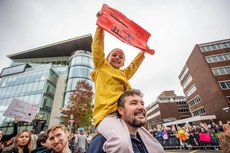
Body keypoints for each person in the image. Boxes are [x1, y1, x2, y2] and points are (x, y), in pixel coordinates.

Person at [91, 11, 149, 153]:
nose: (117, 57)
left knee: (154, 146)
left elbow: (133, 66)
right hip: (107, 115)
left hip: (124, 114)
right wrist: (101, 27)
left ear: (123, 63)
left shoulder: (123, 74)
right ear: (107, 58)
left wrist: (142, 52)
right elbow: (97, 48)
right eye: (114, 55)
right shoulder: (101, 67)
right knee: (122, 144)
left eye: (121, 57)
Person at [86, 89, 164, 153]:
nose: (141, 107)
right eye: (134, 103)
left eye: (142, 104)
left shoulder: (149, 142)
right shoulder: (102, 140)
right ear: (121, 110)